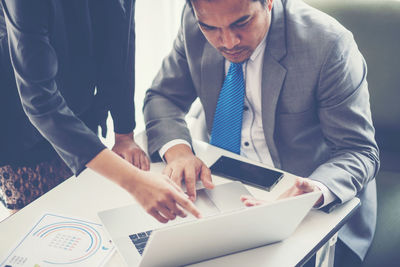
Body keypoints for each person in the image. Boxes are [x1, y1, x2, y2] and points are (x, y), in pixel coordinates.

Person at [143, 0, 379, 265]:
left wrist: (310, 192)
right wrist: (179, 153)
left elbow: (359, 152)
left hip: (307, 202)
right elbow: (163, 97)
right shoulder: (194, 21)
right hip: (221, 187)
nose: (228, 42)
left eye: (241, 23)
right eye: (210, 28)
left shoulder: (327, 44)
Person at [0, 0, 200, 223]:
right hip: (17, 116)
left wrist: (124, 133)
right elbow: (39, 101)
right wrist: (134, 182)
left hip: (78, 105)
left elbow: (122, 40)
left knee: (79, 211)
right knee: (33, 223)